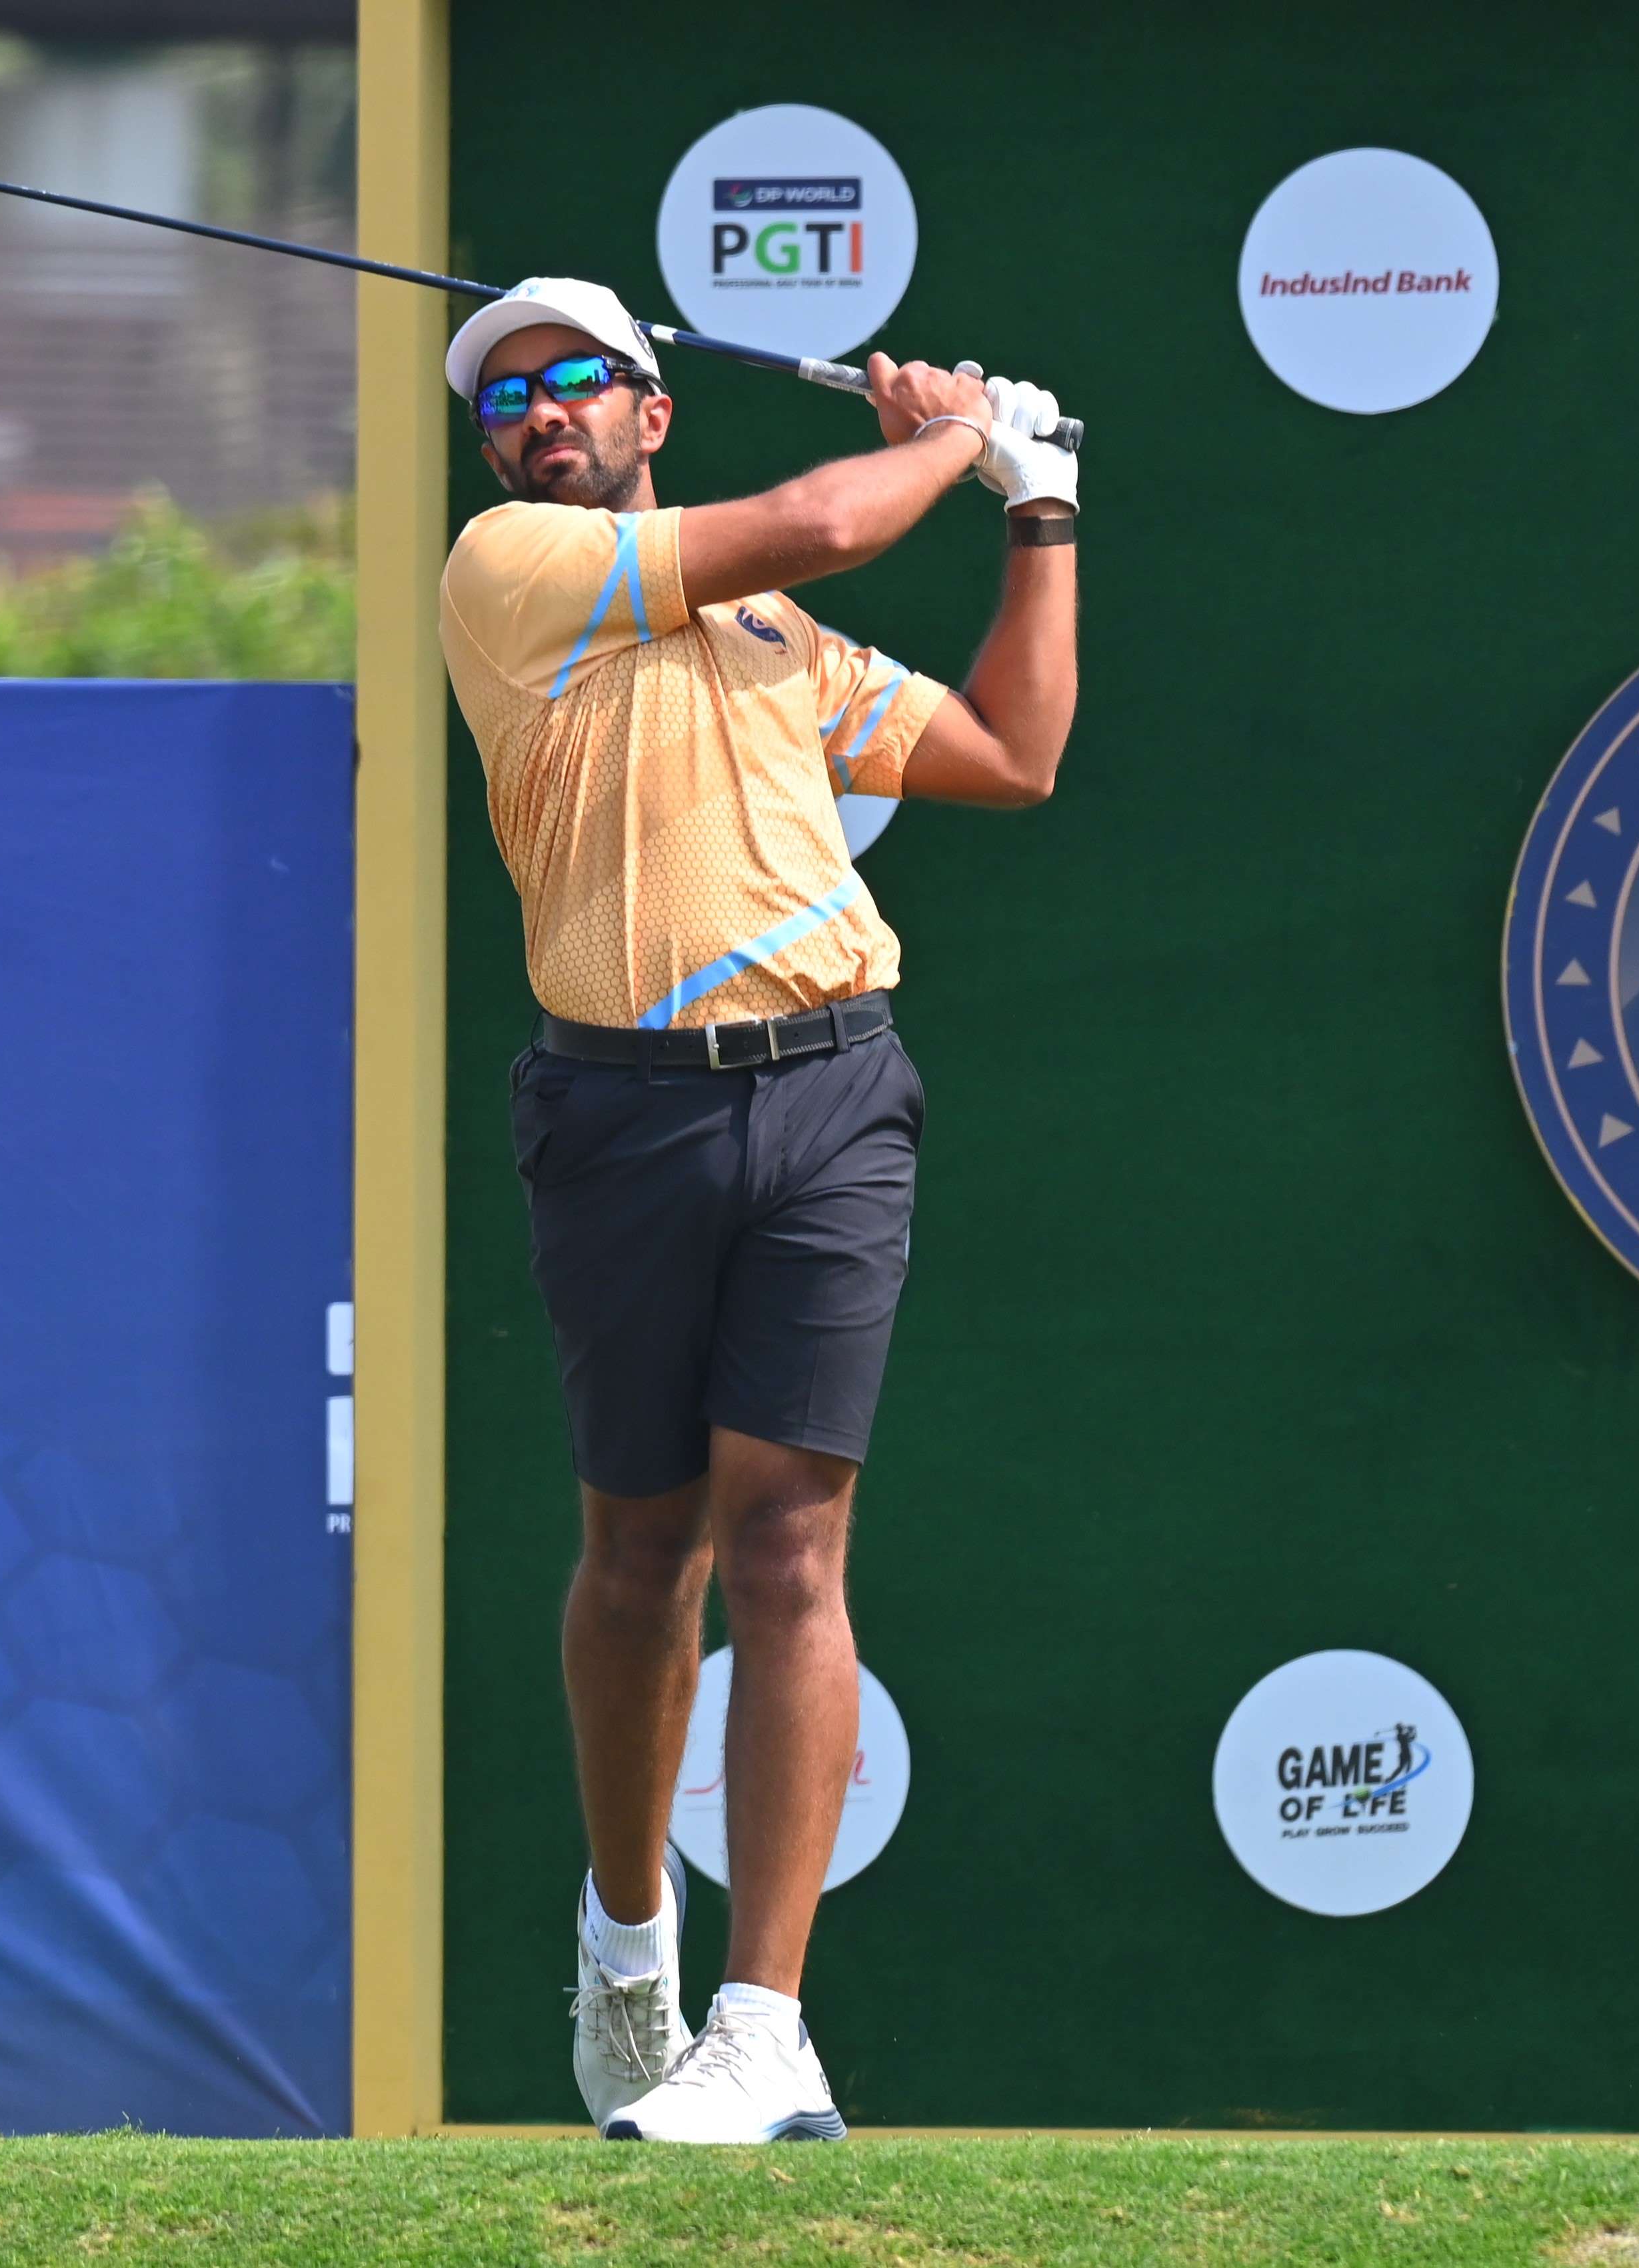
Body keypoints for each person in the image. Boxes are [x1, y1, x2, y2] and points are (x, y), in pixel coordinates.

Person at [435, 278, 1078, 2143]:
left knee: (789, 1545)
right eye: (506, 400)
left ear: (653, 412)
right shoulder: (512, 569)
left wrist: (1039, 508)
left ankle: (766, 2024)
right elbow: (818, 515)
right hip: (617, 1110)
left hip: (833, 1093)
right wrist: (953, 436)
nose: (540, 414)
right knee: (642, 1555)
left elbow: (1013, 754)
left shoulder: (781, 638)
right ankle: (630, 1942)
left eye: (577, 381)